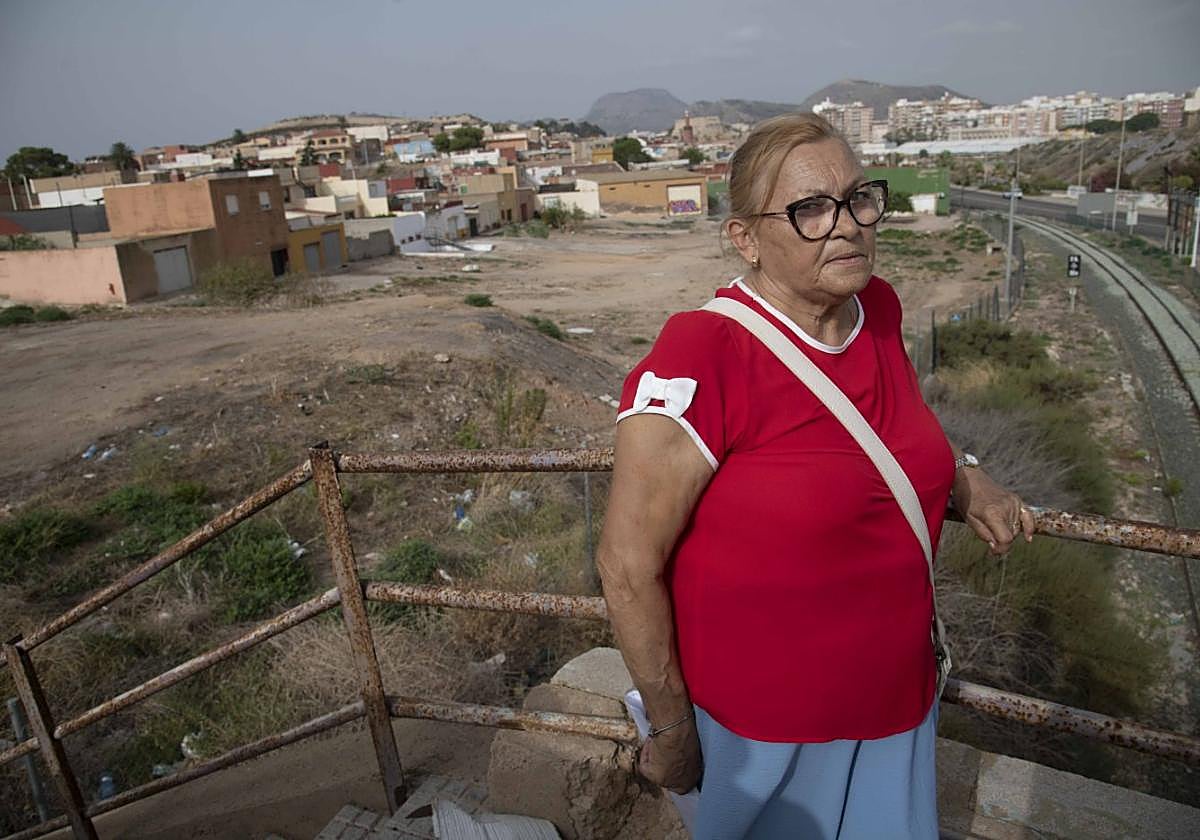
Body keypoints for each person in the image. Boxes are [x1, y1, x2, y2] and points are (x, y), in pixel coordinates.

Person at [596, 113, 1035, 840]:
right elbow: (625, 563)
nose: (848, 225)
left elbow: (892, 437)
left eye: (859, 198)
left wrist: (965, 477)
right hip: (767, 740)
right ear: (746, 238)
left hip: (899, 709)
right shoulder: (703, 354)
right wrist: (672, 731)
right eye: (810, 210)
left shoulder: (878, 311)